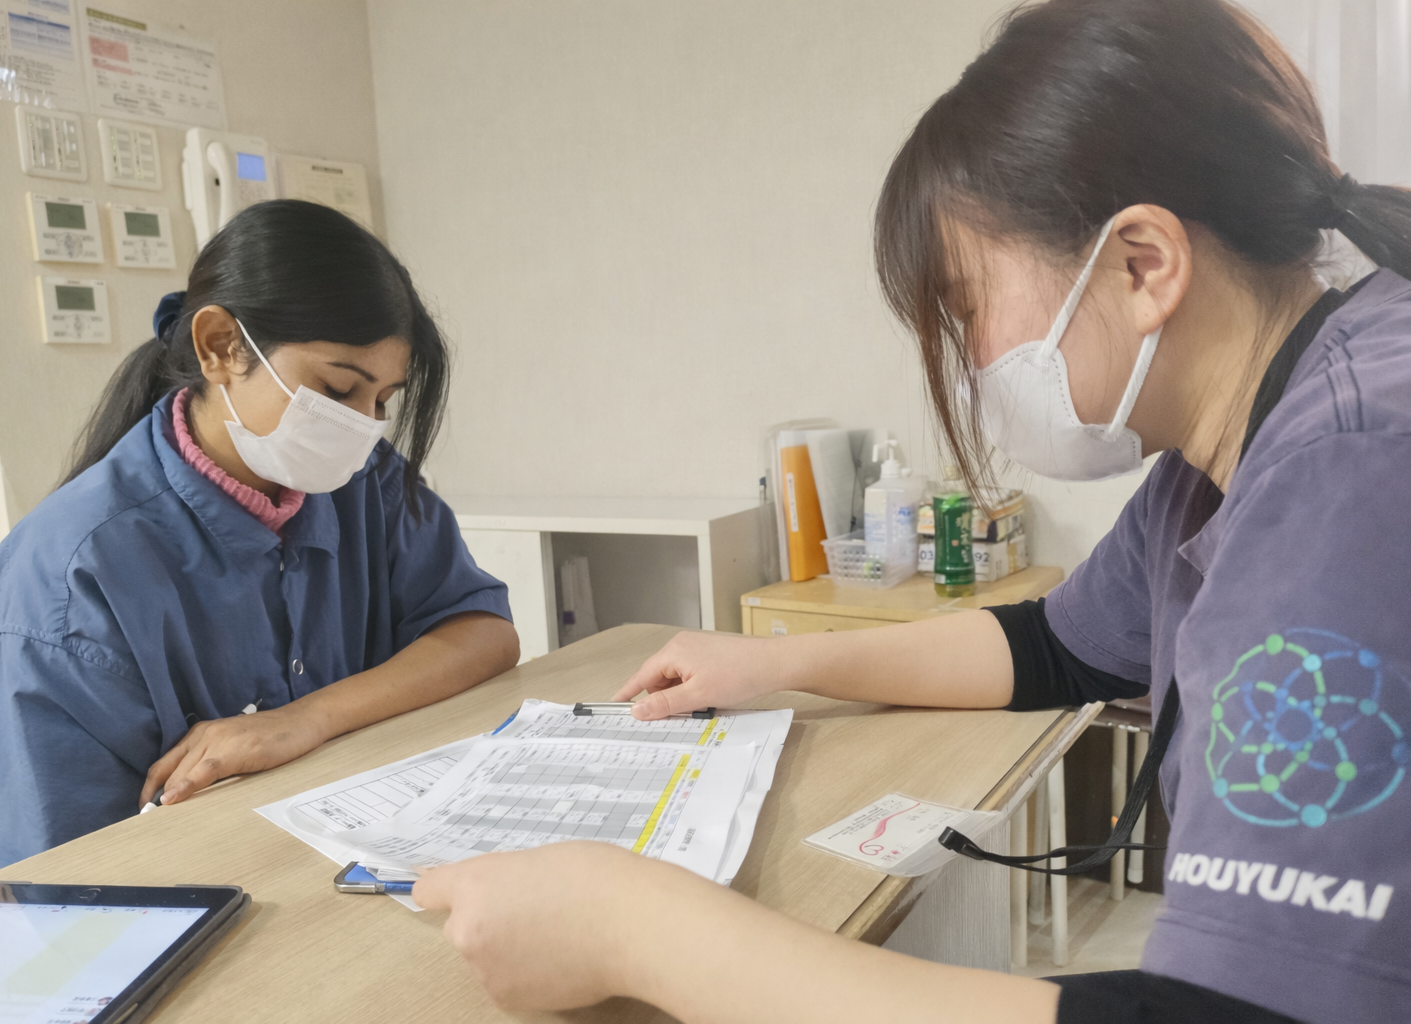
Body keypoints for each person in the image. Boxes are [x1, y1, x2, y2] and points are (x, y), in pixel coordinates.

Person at [409, 1, 1411, 1021]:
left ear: (1140, 264)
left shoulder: (1355, 467)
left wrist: (634, 930)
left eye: (967, 309)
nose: (972, 361)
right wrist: (774, 664)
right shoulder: (1218, 459)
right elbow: (1053, 648)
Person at [0, 200, 518, 882]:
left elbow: (481, 631)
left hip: (309, 856)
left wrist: (309, 718)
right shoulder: (75, 575)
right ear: (221, 347)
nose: (362, 427)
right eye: (338, 389)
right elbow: (66, 876)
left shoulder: (365, 482)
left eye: (382, 402)